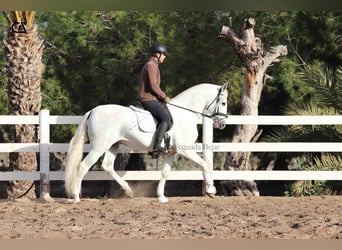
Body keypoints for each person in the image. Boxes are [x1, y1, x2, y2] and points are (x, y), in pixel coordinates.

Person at [137, 43, 172, 154]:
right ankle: (156, 146)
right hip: (148, 99)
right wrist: (164, 96)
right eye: (164, 55)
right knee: (166, 119)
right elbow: (154, 86)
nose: (165, 57)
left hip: (151, 98)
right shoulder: (151, 65)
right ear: (158, 54)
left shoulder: (153, 65)